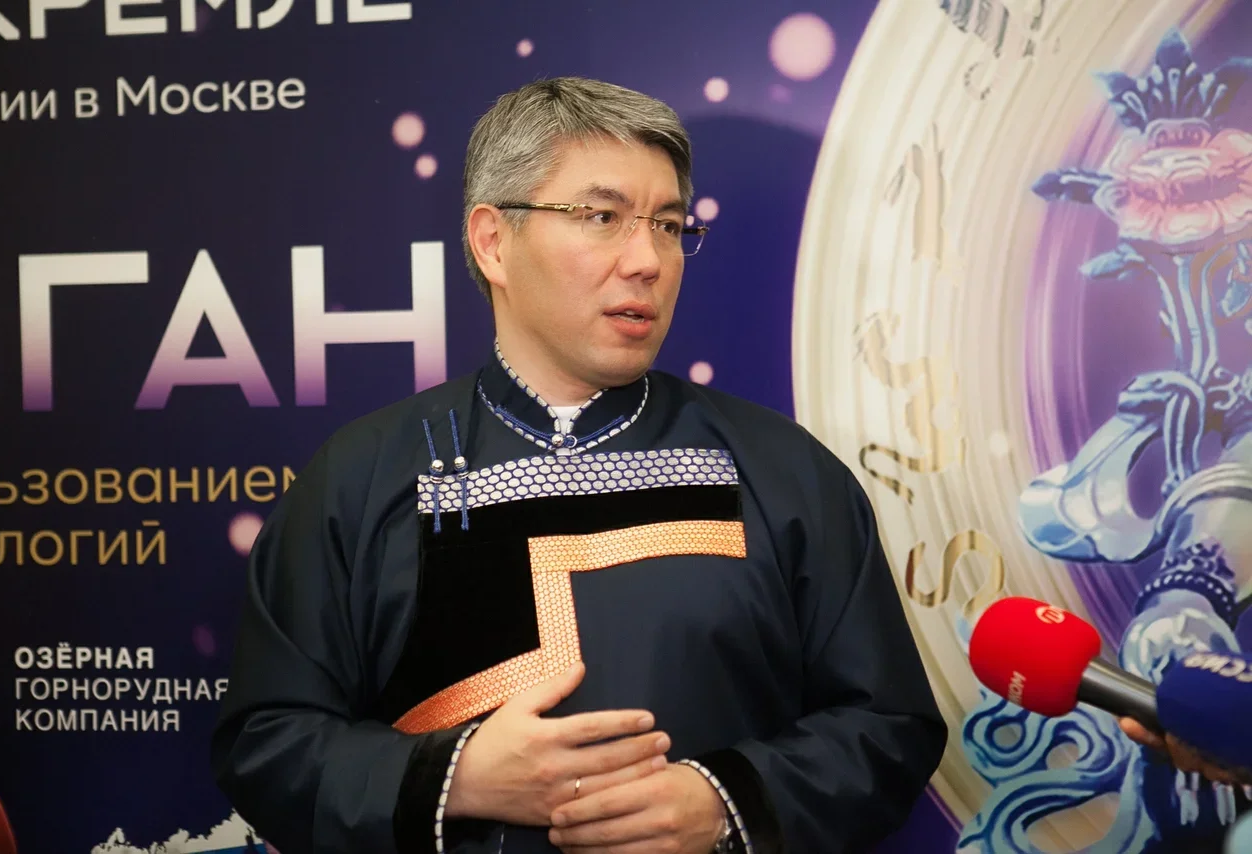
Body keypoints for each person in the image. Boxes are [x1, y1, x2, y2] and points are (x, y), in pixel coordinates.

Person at [211, 76, 949, 854]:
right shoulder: (360, 479)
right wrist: (454, 778)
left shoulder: (785, 473)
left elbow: (887, 725)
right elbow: (268, 743)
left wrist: (722, 801)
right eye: (602, 218)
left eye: (669, 225)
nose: (648, 260)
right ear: (493, 241)